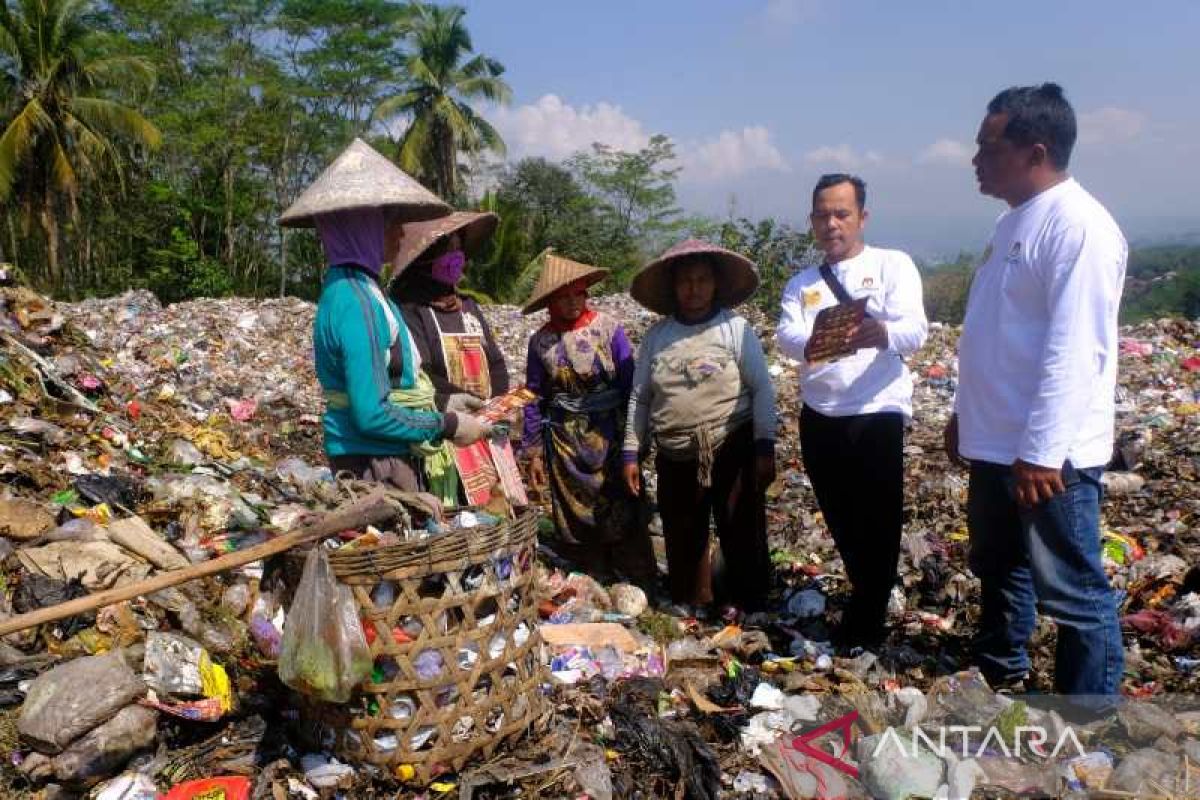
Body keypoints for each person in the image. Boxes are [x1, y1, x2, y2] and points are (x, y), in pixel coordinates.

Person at [946, 83, 1127, 699]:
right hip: (996, 441)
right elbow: (995, 331)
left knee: (1073, 592)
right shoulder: (1010, 222)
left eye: (987, 146)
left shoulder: (1079, 228)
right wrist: (963, 415)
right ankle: (1001, 667)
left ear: (1034, 151)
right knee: (999, 569)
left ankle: (1089, 717)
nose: (975, 158)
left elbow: (1076, 350)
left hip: (1050, 458)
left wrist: (1043, 451)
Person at [279, 138, 492, 493]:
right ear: (362, 227)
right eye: (389, 221)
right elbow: (372, 413)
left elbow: (392, 384)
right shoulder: (354, 302)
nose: (402, 232)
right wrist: (446, 425)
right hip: (372, 462)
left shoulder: (364, 291)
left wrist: (441, 402)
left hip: (385, 455)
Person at [777, 174, 928, 651]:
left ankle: (867, 617)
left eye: (842, 213)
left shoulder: (891, 265)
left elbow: (915, 330)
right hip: (820, 411)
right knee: (839, 513)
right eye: (822, 214)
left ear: (863, 216)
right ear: (811, 222)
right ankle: (869, 591)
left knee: (878, 517)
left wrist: (877, 333)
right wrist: (823, 341)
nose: (831, 223)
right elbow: (787, 337)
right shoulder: (801, 285)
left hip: (875, 407)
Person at [622, 240, 776, 615]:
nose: (694, 288)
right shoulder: (658, 337)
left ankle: (747, 601)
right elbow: (640, 397)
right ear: (674, 287)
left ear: (715, 284)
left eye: (702, 279)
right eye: (686, 281)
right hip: (675, 451)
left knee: (739, 526)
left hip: (730, 444)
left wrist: (763, 446)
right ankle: (694, 600)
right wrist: (631, 451)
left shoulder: (734, 329)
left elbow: (761, 389)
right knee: (682, 529)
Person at [521, 251, 655, 588]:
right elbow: (534, 396)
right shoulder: (541, 342)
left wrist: (634, 439)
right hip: (566, 439)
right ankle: (592, 570)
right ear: (549, 302)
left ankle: (636, 573)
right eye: (561, 297)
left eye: (577, 294)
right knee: (575, 507)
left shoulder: (608, 328)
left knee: (622, 497)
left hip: (609, 430)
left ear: (586, 294)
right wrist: (533, 449)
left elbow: (630, 384)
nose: (570, 303)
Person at [389, 211, 510, 412]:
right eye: (447, 249)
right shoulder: (411, 309)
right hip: (447, 420)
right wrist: (470, 404)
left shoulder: (468, 306)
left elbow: (495, 362)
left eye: (458, 247)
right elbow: (422, 373)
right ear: (424, 258)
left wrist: (499, 402)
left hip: (488, 418)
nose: (456, 256)